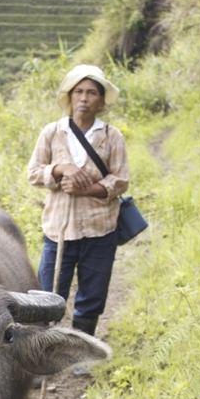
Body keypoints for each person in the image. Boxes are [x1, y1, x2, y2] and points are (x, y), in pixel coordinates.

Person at [27, 64, 129, 337]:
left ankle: (82, 350)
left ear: (101, 100)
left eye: (92, 93)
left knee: (91, 296)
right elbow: (34, 174)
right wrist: (60, 169)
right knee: (48, 297)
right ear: (69, 97)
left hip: (100, 229)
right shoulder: (52, 132)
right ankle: (43, 354)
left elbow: (120, 180)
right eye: (79, 92)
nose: (84, 98)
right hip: (58, 229)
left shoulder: (111, 136)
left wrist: (89, 189)